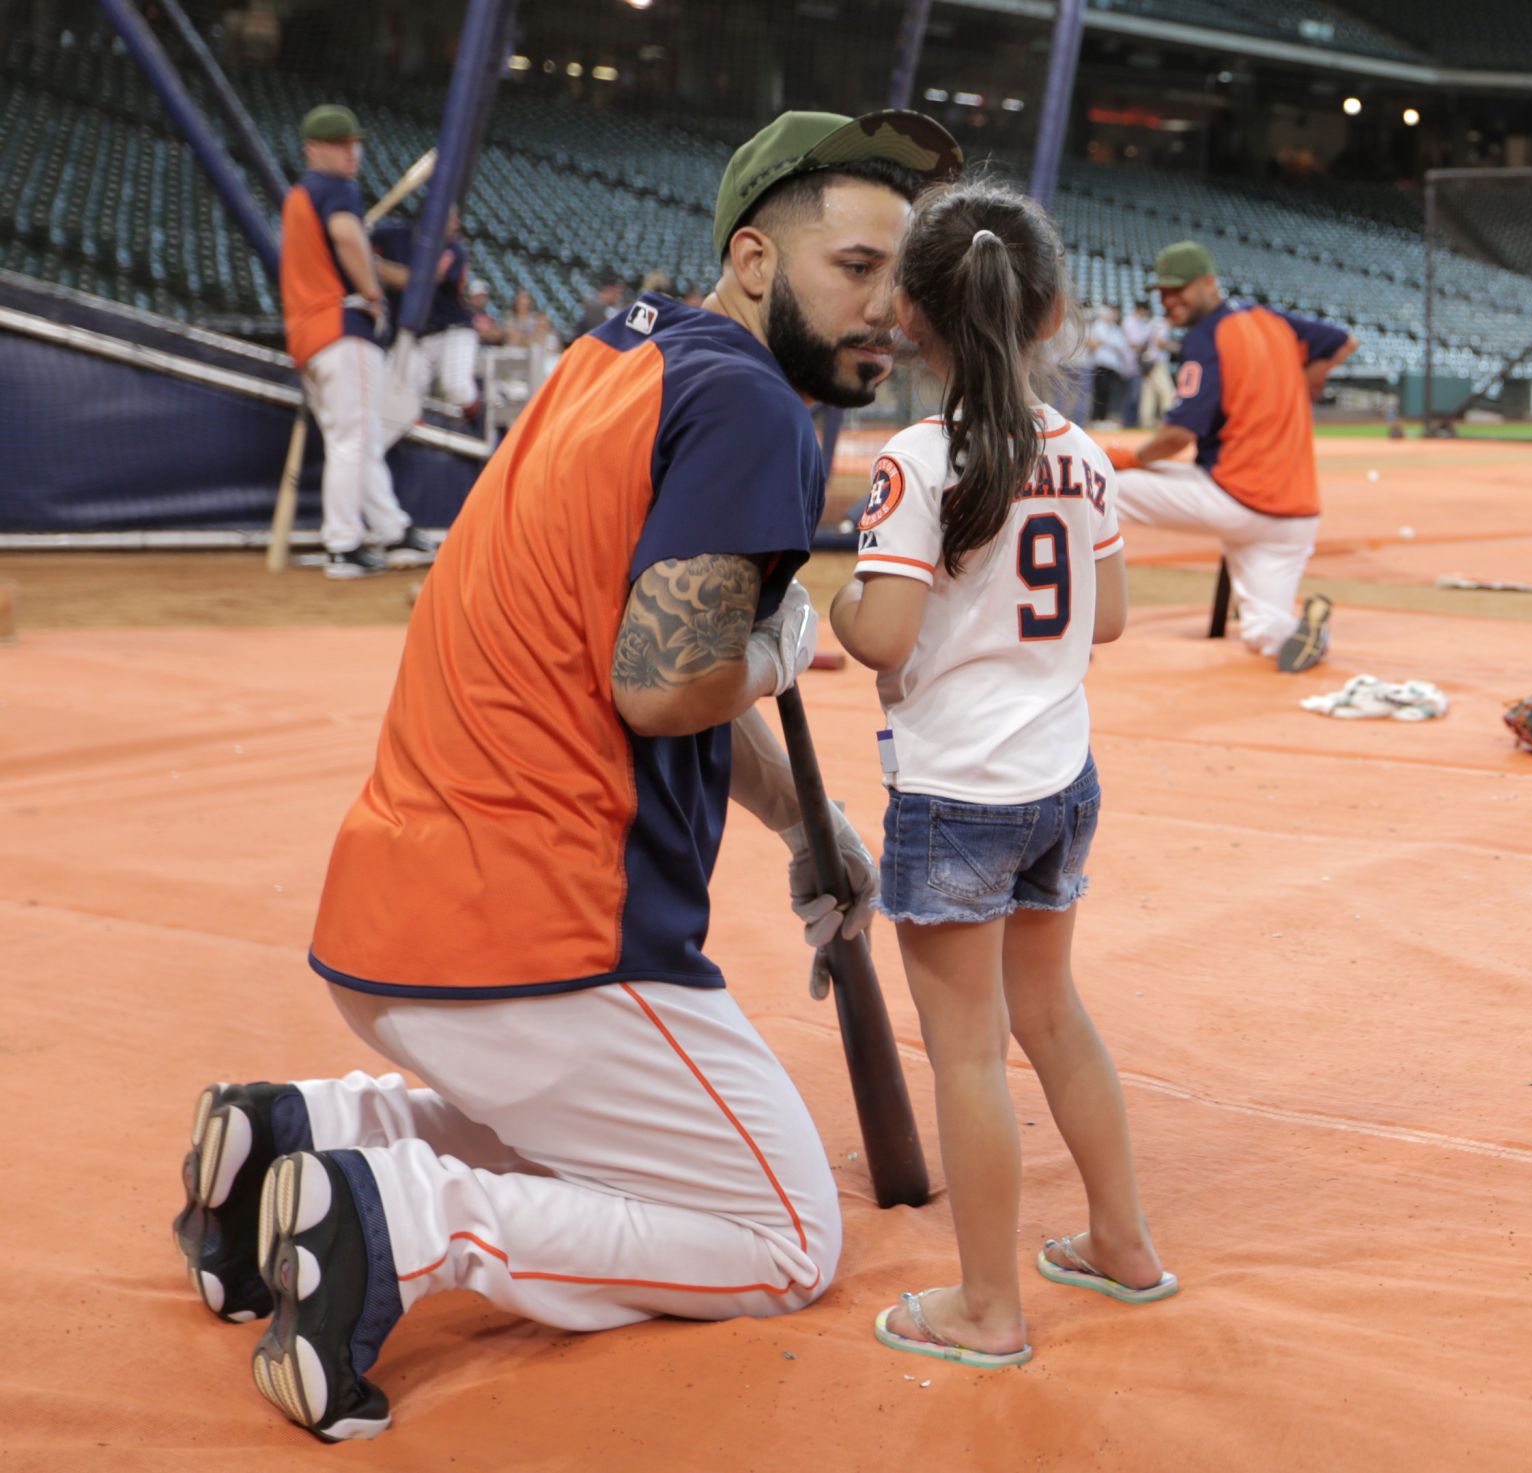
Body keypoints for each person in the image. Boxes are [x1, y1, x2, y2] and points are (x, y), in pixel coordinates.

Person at [172, 107, 964, 1442]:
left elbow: (646, 645)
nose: (890, 307)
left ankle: (302, 1126)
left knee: (623, 1143)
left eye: (907, 278)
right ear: (759, 259)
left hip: (397, 915)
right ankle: (408, 1221)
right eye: (859, 267)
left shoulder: (621, 353)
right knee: (781, 1230)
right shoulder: (756, 406)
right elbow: (664, 682)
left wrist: (800, 818)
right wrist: (776, 650)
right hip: (542, 937)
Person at [829, 180, 1172, 1368]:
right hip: (1058, 775)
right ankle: (1121, 1241)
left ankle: (986, 1308)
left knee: (968, 1050)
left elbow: (876, 637)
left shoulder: (916, 459)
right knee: (1052, 1015)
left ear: (914, 313)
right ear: (1050, 312)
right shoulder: (1077, 451)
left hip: (957, 790)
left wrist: (833, 590)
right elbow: (1113, 615)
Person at [1107, 240, 1356, 673]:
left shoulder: (1207, 336)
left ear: (1209, 284)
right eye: (1163, 293)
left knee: (1101, 486)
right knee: (1267, 636)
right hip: (1294, 517)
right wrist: (1309, 376)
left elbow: (1177, 437)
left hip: (1237, 500)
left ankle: (1066, 607)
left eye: (1178, 289)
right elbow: (1345, 341)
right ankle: (1305, 630)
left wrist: (1128, 458)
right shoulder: (1272, 320)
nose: (1169, 301)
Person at [277, 104, 435, 579]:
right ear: (313, 149)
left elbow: (339, 239)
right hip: (340, 327)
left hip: (309, 334)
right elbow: (347, 239)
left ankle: (390, 529)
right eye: (340, 144)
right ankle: (343, 545)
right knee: (353, 440)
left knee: (357, 439)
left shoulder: (302, 196)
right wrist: (370, 291)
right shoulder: (334, 189)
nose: (352, 153)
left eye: (354, 143)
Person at [370, 205, 479, 423]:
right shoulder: (394, 235)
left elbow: (418, 283)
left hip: (453, 333)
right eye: (452, 220)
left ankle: (479, 424)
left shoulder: (453, 250)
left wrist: (374, 266)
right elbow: (357, 242)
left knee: (456, 387)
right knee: (398, 390)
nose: (457, 226)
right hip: (414, 336)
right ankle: (411, 445)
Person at [1086, 302, 1132, 426]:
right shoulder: (1099, 325)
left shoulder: (1116, 329)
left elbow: (1121, 346)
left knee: (1108, 392)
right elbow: (1094, 344)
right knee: (1098, 391)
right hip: (1100, 363)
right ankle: (1095, 418)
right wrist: (1108, 343)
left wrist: (1105, 342)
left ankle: (1103, 418)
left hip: (1112, 366)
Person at [1130, 299, 1174, 427]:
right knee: (1167, 392)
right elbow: (1160, 342)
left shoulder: (1153, 322)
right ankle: (1168, 421)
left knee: (1148, 393)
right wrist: (1174, 347)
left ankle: (1146, 421)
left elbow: (1143, 342)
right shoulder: (1163, 324)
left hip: (1147, 361)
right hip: (1157, 363)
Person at [572, 271, 626, 340]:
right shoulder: (593, 306)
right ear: (608, 289)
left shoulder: (616, 307)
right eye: (616, 292)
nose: (617, 296)